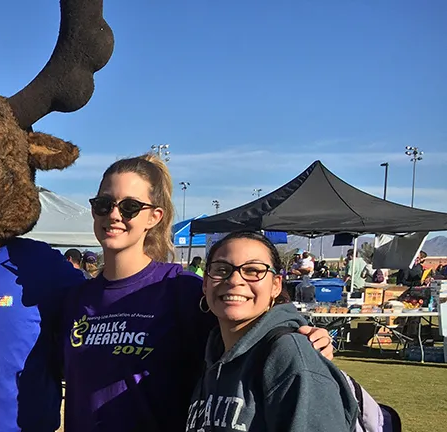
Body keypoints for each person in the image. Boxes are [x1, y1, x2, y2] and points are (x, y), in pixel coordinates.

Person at [61, 154, 333, 432]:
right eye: (104, 205)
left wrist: (303, 333)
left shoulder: (181, 289)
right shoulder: (75, 299)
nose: (114, 215)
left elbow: (250, 327)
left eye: (130, 207)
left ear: (155, 217)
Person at [187, 231, 358, 431]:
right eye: (221, 269)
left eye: (253, 271)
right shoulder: (211, 351)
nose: (234, 280)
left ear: (275, 286)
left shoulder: (289, 356)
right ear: (206, 284)